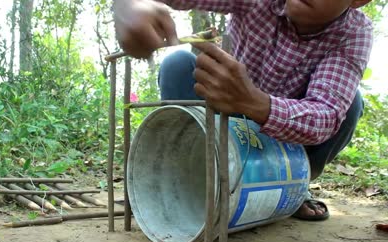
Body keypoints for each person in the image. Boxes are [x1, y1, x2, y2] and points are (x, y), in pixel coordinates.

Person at [113, 0, 374, 221]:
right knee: (178, 64)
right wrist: (132, 4)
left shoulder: (354, 32)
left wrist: (253, 102)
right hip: (224, 123)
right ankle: (179, 178)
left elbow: (325, 115)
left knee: (351, 104)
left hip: (288, 145)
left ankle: (296, 186)